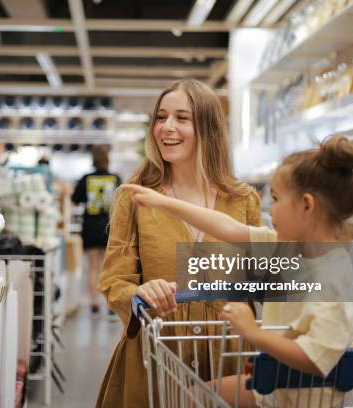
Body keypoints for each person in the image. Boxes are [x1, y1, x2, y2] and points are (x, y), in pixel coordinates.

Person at [121, 134, 353, 407]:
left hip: (307, 399)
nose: (269, 209)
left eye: (275, 199)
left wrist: (252, 332)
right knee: (194, 394)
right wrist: (163, 202)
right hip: (276, 387)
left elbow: (315, 359)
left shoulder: (336, 281)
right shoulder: (284, 247)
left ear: (307, 205)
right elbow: (228, 227)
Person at [96, 79, 262, 407]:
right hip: (154, 354)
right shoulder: (134, 197)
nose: (167, 127)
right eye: (161, 117)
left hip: (226, 358)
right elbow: (114, 281)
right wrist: (139, 294)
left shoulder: (242, 200)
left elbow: (263, 279)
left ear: (208, 128)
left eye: (181, 118)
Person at [72, 145, 121, 318]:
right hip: (109, 226)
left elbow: (75, 199)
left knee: (93, 267)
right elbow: (121, 203)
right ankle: (110, 307)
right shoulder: (115, 178)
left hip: (90, 226)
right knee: (110, 267)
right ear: (108, 158)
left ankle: (94, 305)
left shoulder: (86, 178)